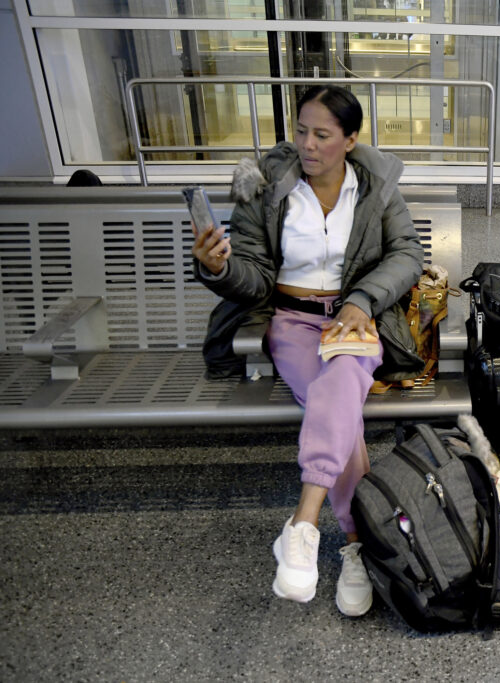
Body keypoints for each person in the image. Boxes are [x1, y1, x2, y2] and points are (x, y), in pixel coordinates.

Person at [191, 85, 424, 615]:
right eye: (301, 131)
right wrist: (220, 268)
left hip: (354, 319)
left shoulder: (375, 188)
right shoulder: (266, 189)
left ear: (350, 140)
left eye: (322, 134)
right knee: (338, 404)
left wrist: (363, 299)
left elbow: (408, 253)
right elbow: (252, 278)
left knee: (337, 387)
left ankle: (303, 525)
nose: (307, 144)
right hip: (293, 321)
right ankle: (357, 544)